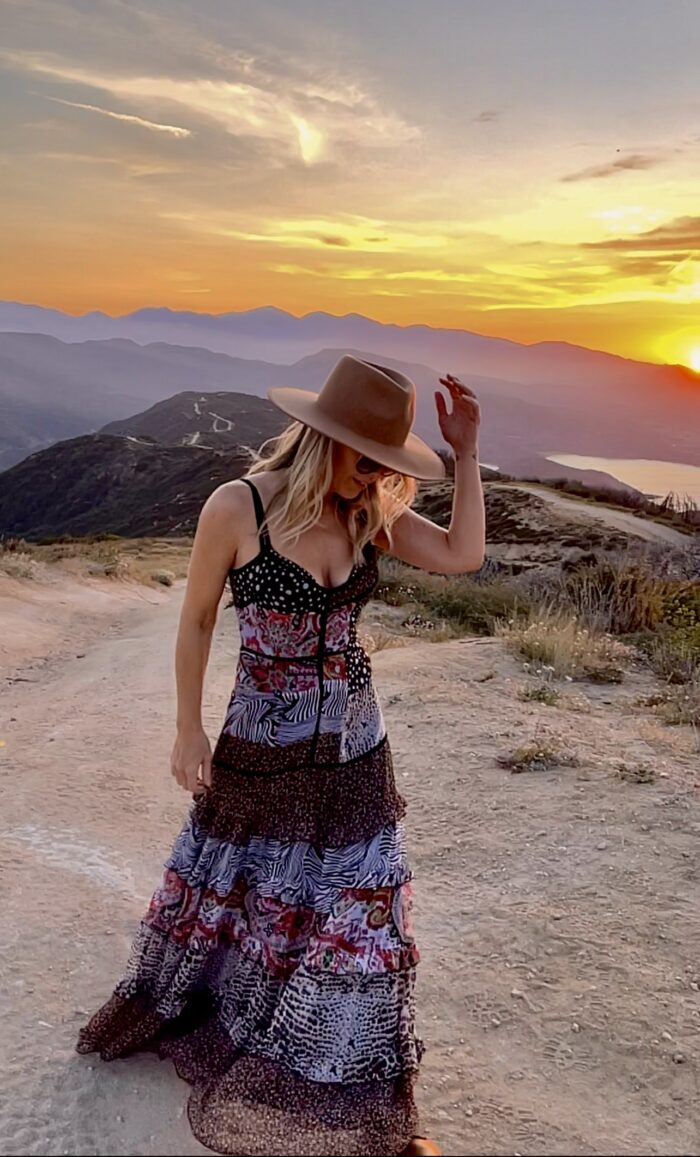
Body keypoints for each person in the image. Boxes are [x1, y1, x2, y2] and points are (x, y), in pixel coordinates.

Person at [77, 355, 485, 1157]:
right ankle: (247, 1015)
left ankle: (363, 1085)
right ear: (324, 437)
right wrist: (187, 728)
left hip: (359, 756)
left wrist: (465, 452)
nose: (378, 474)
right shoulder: (238, 508)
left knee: (365, 921)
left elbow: (463, 554)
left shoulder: (371, 510)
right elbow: (196, 620)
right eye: (368, 457)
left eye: (389, 462)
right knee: (257, 901)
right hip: (261, 751)